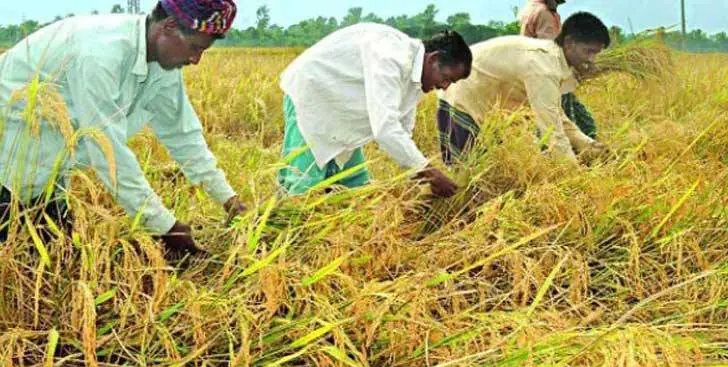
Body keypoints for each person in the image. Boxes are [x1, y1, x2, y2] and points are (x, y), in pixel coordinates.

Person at [0, 0, 247, 254]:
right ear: (169, 26)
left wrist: (229, 200)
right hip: (11, 148)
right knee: (19, 256)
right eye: (194, 47)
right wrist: (166, 227)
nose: (195, 59)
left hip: (47, 161)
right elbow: (108, 153)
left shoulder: (163, 66)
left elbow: (183, 135)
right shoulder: (100, 54)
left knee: (55, 254)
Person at [277, 23, 472, 197]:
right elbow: (385, 130)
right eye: (446, 77)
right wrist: (429, 172)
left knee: (355, 189)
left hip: (343, 114)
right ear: (433, 59)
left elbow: (402, 131)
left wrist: (417, 174)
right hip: (312, 97)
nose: (445, 86)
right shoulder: (392, 57)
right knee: (303, 189)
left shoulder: (418, 78)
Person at [438, 12, 609, 164]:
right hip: (462, 100)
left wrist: (590, 146)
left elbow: (556, 114)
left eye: (596, 53)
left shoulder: (551, 59)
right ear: (570, 43)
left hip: (486, 108)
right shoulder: (543, 67)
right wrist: (576, 176)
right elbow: (552, 131)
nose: (592, 60)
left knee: (491, 172)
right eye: (589, 52)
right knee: (463, 178)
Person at [520, 0, 598, 139]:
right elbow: (549, 48)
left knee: (553, 120)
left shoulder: (534, 8)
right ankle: (579, 155)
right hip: (549, 75)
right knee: (580, 124)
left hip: (539, 74)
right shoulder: (544, 13)